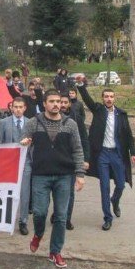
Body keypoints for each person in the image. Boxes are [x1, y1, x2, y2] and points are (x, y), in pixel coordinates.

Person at [20, 90, 85, 269]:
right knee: (40, 212)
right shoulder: (34, 122)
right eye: (52, 101)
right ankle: (38, 234)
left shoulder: (70, 124)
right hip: (41, 175)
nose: (57, 104)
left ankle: (55, 251)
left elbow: (78, 149)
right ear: (45, 103)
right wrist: (25, 142)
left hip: (65, 176)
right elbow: (22, 140)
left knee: (61, 216)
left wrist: (80, 174)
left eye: (59, 101)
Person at [76, 77, 135, 231]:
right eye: (106, 97)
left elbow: (128, 134)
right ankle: (107, 217)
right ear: (103, 99)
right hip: (102, 154)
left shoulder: (121, 114)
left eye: (111, 97)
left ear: (114, 98)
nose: (109, 99)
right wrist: (81, 85)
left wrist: (133, 152)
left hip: (117, 154)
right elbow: (87, 99)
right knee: (104, 186)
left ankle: (115, 201)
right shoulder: (98, 110)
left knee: (121, 184)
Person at [0, 97, 30, 235]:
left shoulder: (30, 123)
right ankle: (5, 217)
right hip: (8, 162)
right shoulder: (4, 122)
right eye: (15, 107)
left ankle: (23, 221)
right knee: (6, 191)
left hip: (26, 162)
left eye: (20, 107)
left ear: (24, 108)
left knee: (24, 192)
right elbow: (0, 142)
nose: (17, 109)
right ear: (11, 108)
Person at [61, 93, 90, 231]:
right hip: (56, 160)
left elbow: (84, 139)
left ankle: (67, 218)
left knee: (70, 193)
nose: (62, 105)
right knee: (58, 191)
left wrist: (86, 159)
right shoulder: (49, 118)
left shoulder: (76, 119)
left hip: (71, 159)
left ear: (69, 104)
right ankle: (58, 213)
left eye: (65, 102)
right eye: (60, 102)